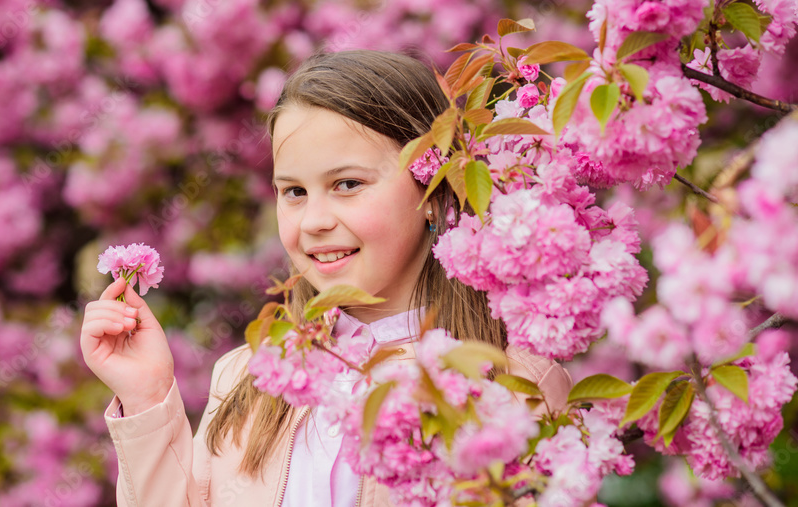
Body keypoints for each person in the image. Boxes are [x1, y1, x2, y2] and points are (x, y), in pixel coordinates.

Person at [79, 49, 573, 507]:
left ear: (434, 185)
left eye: (347, 184)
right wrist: (146, 396)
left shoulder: (512, 379)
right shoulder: (248, 376)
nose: (314, 220)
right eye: (293, 191)